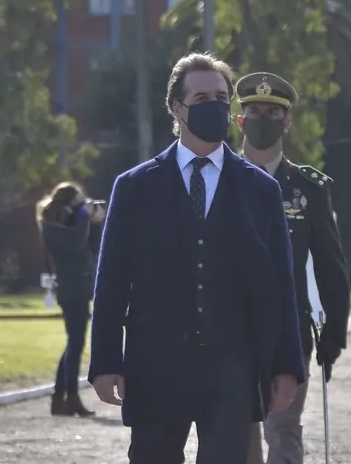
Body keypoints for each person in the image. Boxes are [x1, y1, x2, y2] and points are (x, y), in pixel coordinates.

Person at [88, 52, 306, 464]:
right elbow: (111, 281)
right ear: (176, 108)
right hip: (156, 365)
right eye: (202, 98)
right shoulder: (135, 187)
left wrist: (286, 367)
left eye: (222, 98)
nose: (215, 106)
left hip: (232, 369)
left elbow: (281, 284)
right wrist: (104, 361)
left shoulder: (260, 190)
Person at [235, 72, 350, 464]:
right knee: (236, 434)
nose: (262, 119)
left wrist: (334, 334)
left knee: (283, 430)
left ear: (286, 122)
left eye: (272, 113)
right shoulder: (218, 180)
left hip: (289, 332)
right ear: (240, 121)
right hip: (230, 331)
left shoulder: (309, 188)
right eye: (254, 111)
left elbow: (331, 264)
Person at [38, 181, 105, 418]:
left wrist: (95, 222)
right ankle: (71, 398)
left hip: (80, 287)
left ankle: (60, 398)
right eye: (78, 204)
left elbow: (92, 248)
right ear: (67, 204)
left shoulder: (72, 224)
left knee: (73, 344)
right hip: (70, 289)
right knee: (75, 343)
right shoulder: (51, 227)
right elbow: (75, 245)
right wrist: (84, 217)